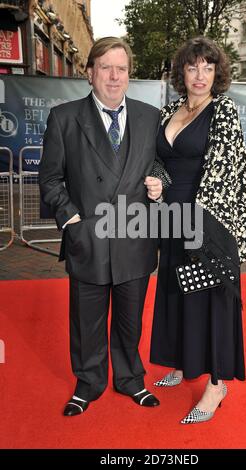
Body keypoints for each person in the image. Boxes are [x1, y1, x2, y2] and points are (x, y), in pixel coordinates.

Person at [39, 37, 169, 416]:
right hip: (89, 238)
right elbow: (49, 179)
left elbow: (162, 164)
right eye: (106, 68)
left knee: (130, 319)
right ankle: (88, 383)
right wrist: (71, 219)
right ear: (91, 73)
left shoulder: (150, 117)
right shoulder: (64, 118)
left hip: (134, 237)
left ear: (130, 74)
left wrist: (160, 183)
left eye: (122, 68)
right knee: (87, 321)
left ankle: (130, 379)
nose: (114, 76)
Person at [150, 36, 246, 424]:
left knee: (212, 301)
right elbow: (156, 159)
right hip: (172, 220)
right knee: (177, 292)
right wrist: (157, 182)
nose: (200, 75)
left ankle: (216, 383)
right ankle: (181, 360)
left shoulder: (223, 110)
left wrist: (199, 221)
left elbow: (227, 172)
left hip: (208, 223)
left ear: (217, 73)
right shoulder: (170, 110)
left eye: (208, 67)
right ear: (182, 72)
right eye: (193, 67)